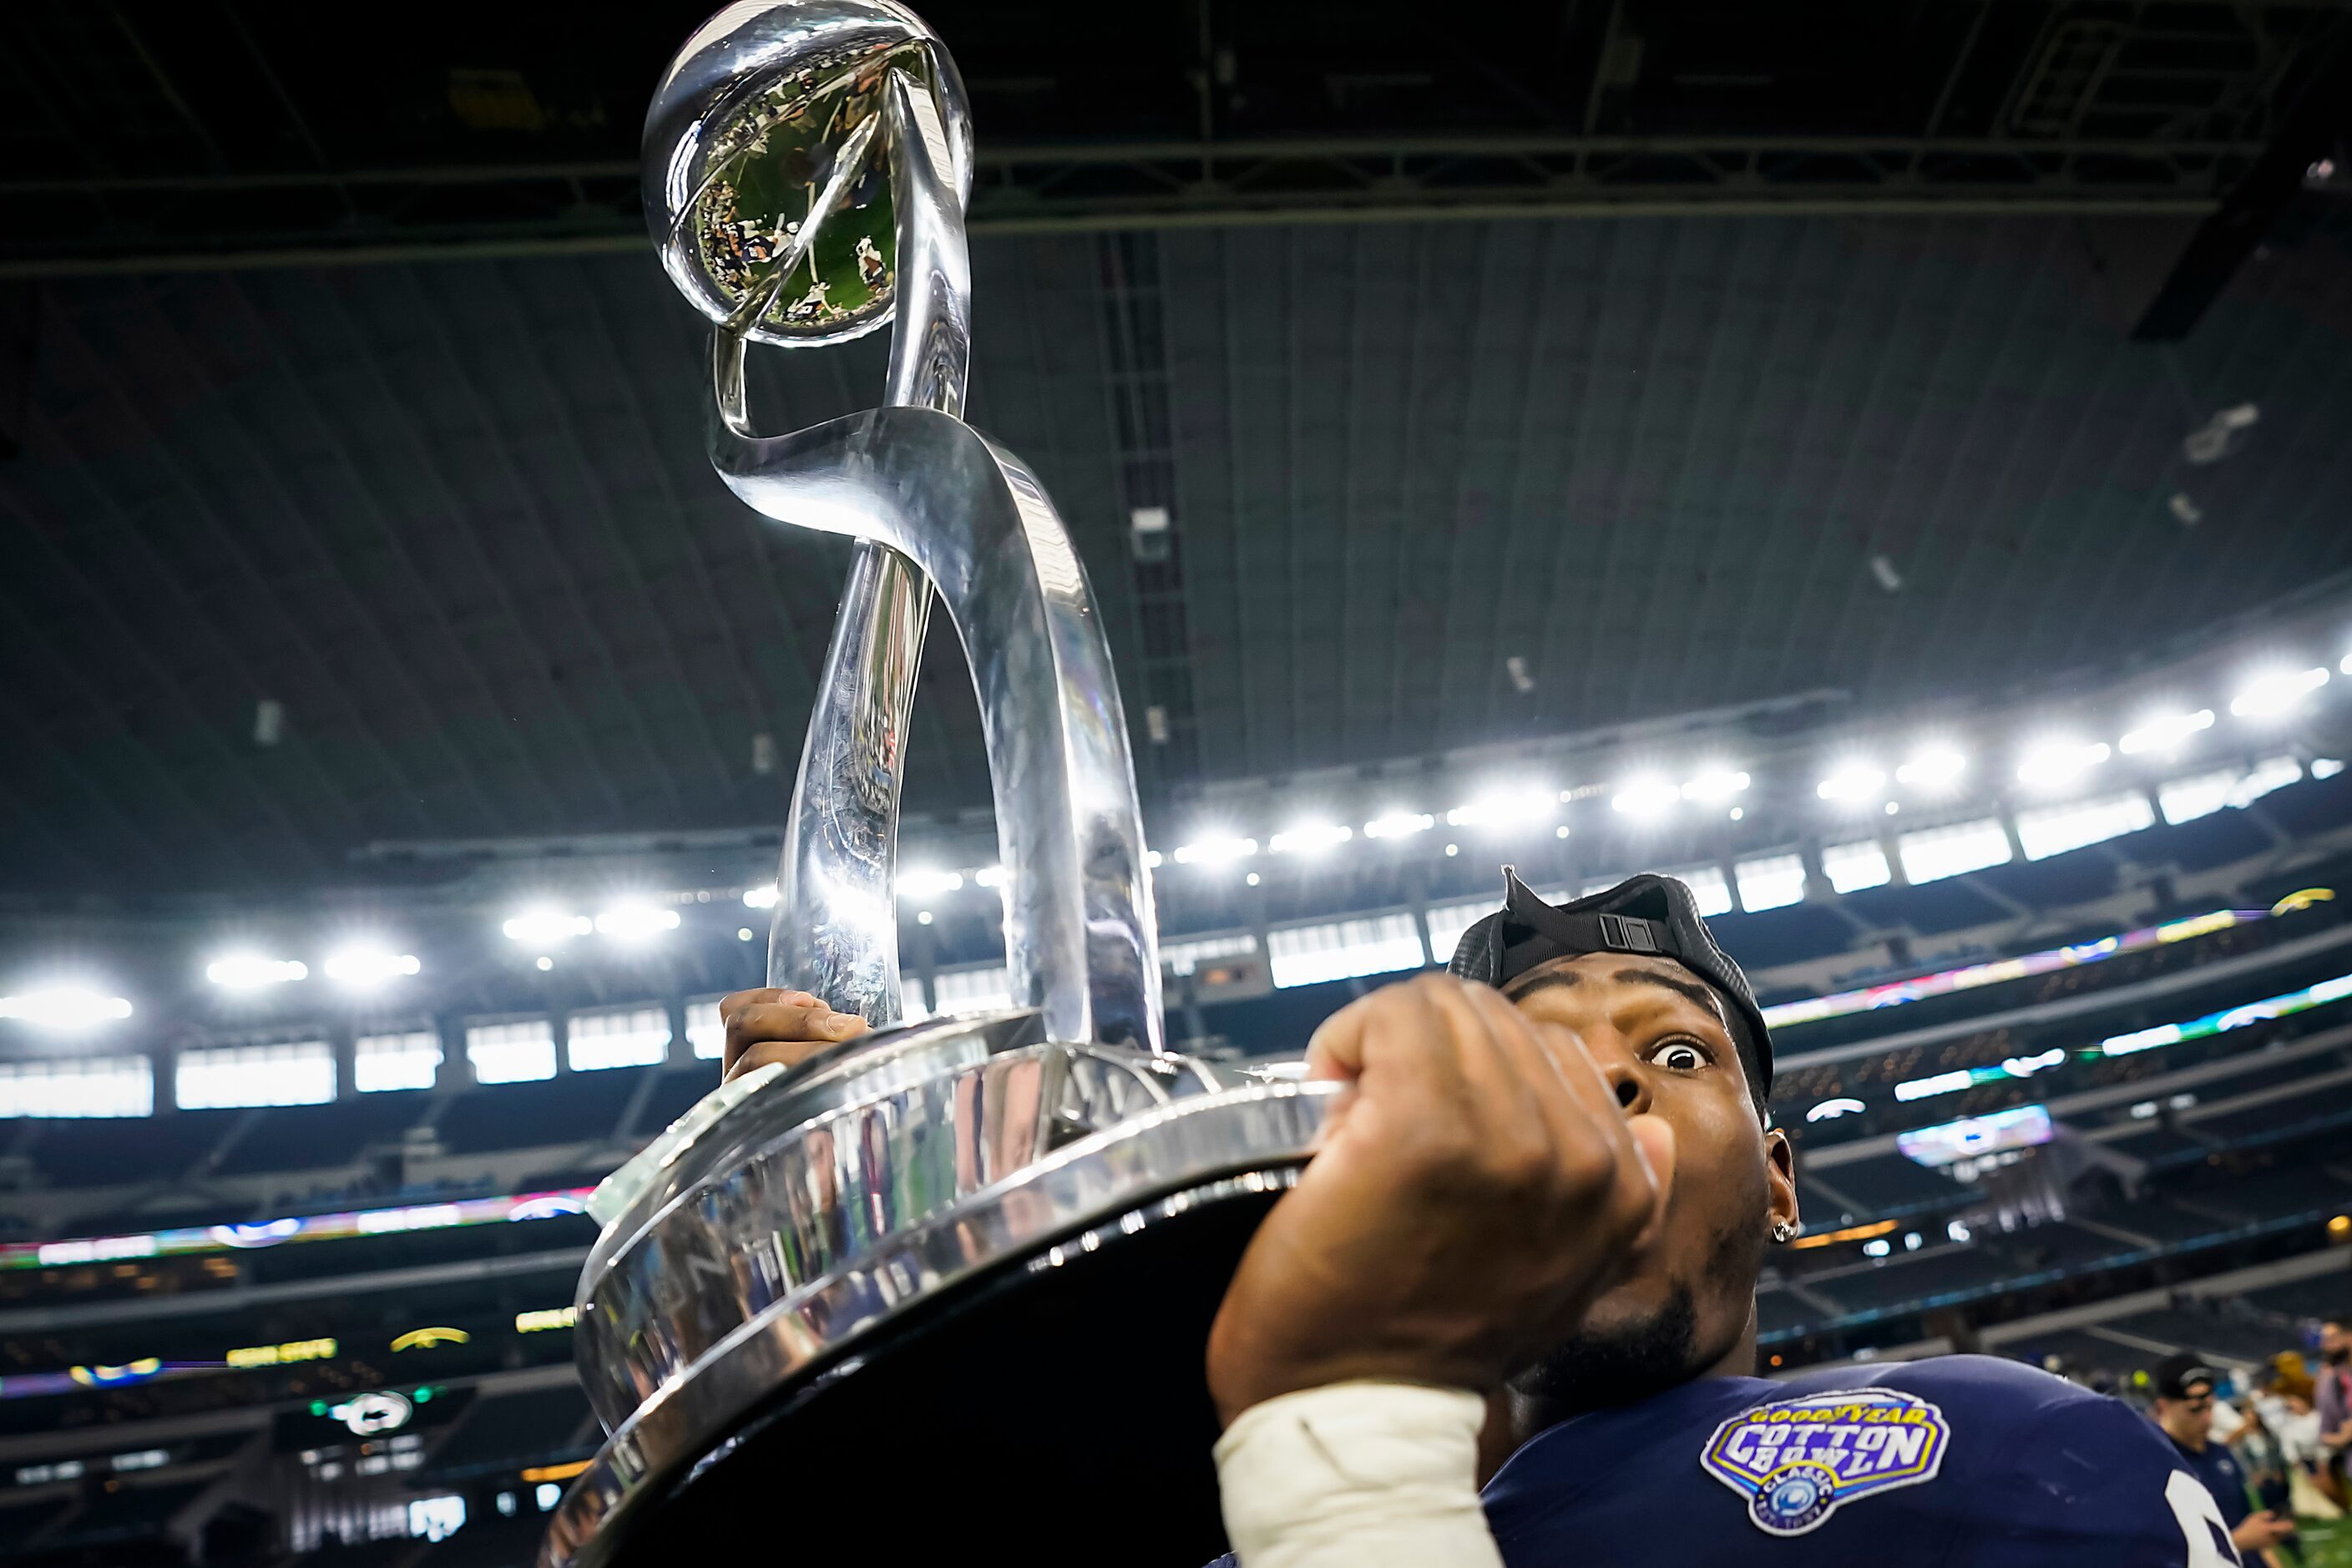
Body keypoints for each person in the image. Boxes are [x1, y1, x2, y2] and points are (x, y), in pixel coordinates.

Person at [722, 870, 2264, 1565]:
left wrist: (1341, 1469)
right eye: (1531, 1058)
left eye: (1674, 1052)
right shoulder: (1222, 1520)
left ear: (1780, 1182)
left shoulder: (1999, 1450)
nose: (1600, 1080)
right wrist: (858, 1235)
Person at [2148, 1353, 2297, 1560]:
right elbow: (2163, 1554)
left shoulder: (2220, 1453)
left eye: (2209, 1407)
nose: (2206, 1418)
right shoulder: (2155, 1466)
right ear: (2162, 1407)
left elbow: (2250, 1528)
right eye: (2194, 1410)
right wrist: (2237, 1542)